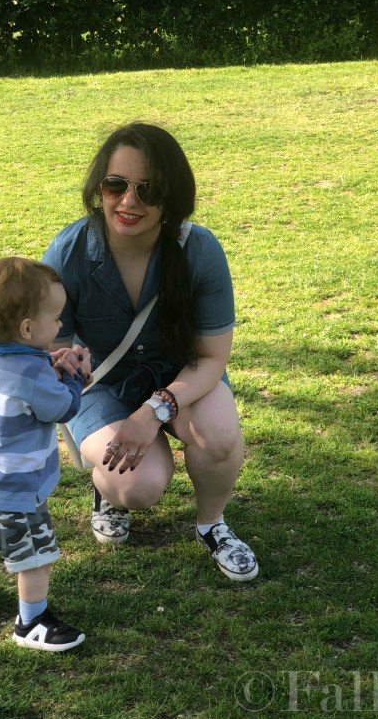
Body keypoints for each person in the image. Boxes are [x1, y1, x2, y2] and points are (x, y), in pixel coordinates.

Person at [42, 123, 258, 582]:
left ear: (172, 195)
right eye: (115, 185)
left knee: (218, 434)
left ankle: (212, 524)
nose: (128, 202)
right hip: (103, 384)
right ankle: (108, 494)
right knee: (136, 485)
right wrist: (63, 360)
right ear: (99, 187)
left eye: (149, 189)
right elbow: (51, 344)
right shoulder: (69, 251)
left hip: (181, 375)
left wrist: (152, 413)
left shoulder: (198, 250)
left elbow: (211, 358)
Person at [0, 256, 92, 651]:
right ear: (28, 328)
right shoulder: (32, 375)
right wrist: (76, 376)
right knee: (35, 557)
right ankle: (31, 622)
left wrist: (52, 363)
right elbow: (61, 408)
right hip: (16, 490)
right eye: (55, 318)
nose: (61, 325)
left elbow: (27, 373)